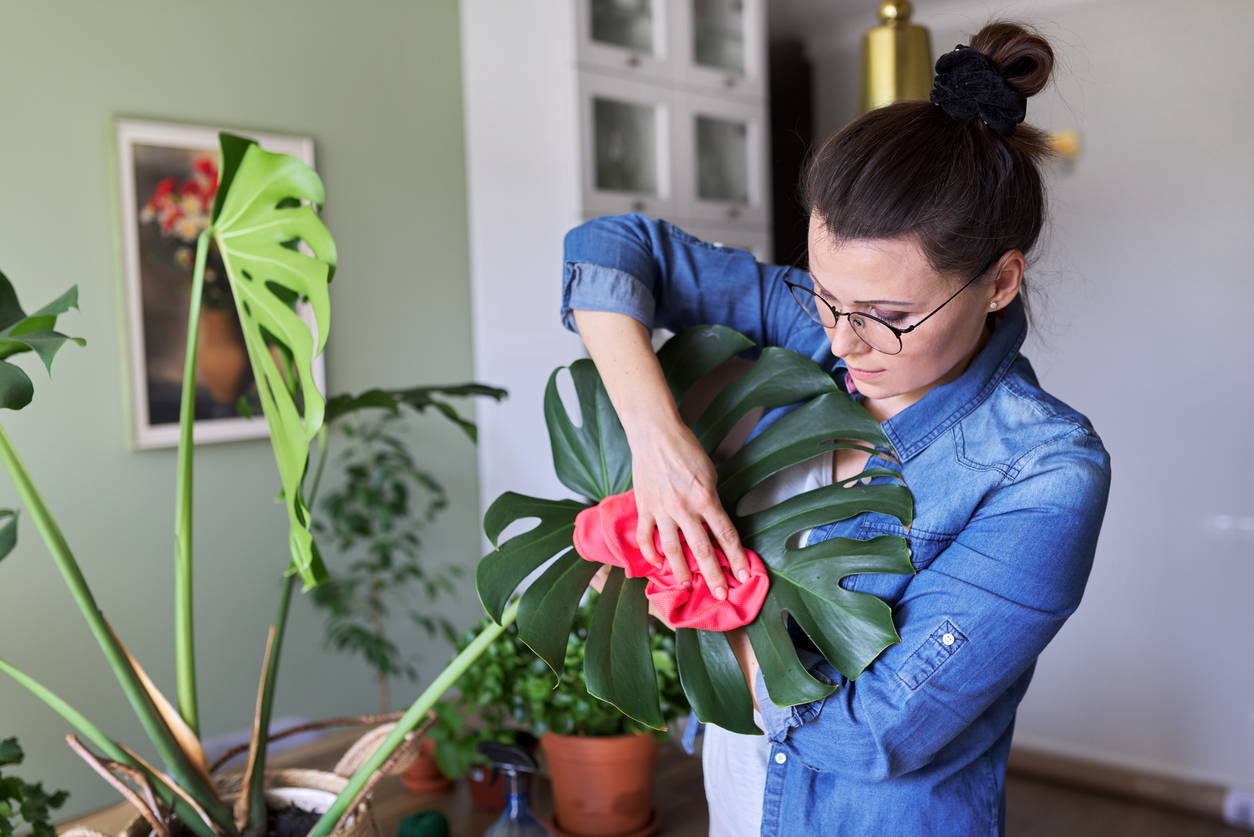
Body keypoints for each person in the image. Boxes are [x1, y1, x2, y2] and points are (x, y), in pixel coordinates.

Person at [561, 19, 1112, 837]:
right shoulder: (818, 324)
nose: (844, 340)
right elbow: (610, 248)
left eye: (888, 315)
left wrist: (680, 589)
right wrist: (658, 443)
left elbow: (874, 730)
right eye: (823, 293)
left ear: (999, 280)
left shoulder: (1043, 472)